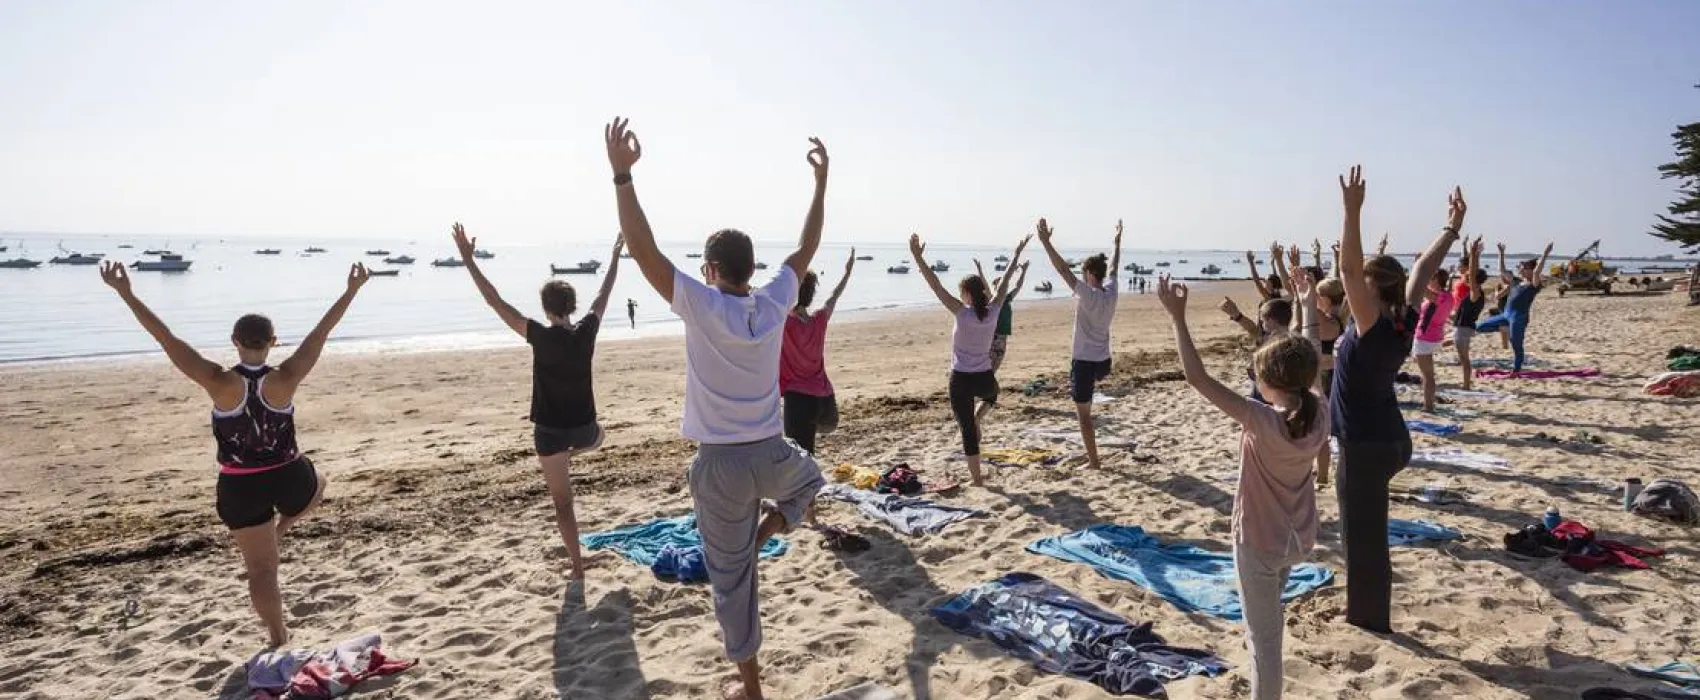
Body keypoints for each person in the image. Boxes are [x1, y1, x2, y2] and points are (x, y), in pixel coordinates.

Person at [602, 116, 827, 700]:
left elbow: (643, 250)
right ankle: (773, 526)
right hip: (772, 456)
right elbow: (805, 249)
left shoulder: (701, 304)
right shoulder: (775, 301)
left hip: (721, 467)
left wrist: (622, 177)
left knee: (732, 584)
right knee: (811, 480)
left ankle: (750, 689)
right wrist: (820, 185)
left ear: (710, 269)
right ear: (751, 269)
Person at [98, 259, 370, 647]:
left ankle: (277, 636)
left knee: (261, 570)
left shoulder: (217, 380)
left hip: (241, 487)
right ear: (273, 342)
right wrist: (351, 291)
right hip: (289, 475)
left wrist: (126, 294)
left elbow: (165, 337)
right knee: (320, 482)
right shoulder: (287, 377)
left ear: (234, 341)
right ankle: (280, 530)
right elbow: (321, 332)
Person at [1158, 274, 1328, 700]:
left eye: (1257, 374)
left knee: (1265, 642)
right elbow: (1312, 357)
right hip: (1298, 539)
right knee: (1265, 621)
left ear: (1269, 383)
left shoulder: (1260, 419)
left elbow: (1197, 378)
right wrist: (1307, 304)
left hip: (1259, 543)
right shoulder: (1320, 411)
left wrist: (1177, 317)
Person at [1331, 165, 1463, 634]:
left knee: (1362, 540)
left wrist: (1351, 211)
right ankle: (1366, 611)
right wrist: (1451, 228)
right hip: (1386, 438)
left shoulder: (1375, 326)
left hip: (1366, 445)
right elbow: (1423, 268)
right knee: (1363, 533)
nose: (1354, 288)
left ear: (1373, 288)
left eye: (1362, 283)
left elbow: (1348, 269)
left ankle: (1369, 621)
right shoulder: (1401, 318)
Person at [452, 223, 621, 580]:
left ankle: (577, 568)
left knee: (563, 503)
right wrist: (615, 256)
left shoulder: (539, 336)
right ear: (572, 306)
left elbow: (494, 300)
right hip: (585, 430)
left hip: (550, 434)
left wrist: (468, 261)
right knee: (600, 437)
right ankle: (573, 454)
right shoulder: (587, 331)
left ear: (546, 309)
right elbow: (603, 293)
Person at [911, 229, 1030, 487]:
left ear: (966, 293)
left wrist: (918, 257)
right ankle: (978, 420)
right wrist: (1017, 254)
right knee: (992, 395)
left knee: (967, 430)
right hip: (985, 380)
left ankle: (977, 479)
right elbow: (1006, 281)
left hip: (961, 380)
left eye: (961, 292)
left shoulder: (961, 312)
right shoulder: (994, 310)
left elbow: (935, 285)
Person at [1035, 218, 1122, 469]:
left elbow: (1063, 270)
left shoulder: (1087, 293)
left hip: (1084, 362)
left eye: (1084, 273)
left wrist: (1046, 243)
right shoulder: (1111, 290)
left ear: (1090, 274)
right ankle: (1092, 456)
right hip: (1103, 362)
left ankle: (1094, 462)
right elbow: (1114, 266)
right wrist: (1117, 242)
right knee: (1085, 400)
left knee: (1084, 416)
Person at [781, 248, 858, 454]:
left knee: (800, 458)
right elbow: (834, 296)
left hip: (799, 401)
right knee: (806, 452)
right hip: (825, 403)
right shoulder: (819, 320)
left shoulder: (784, 322)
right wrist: (847, 274)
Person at [1474, 242, 1553, 376]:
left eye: (1522, 267)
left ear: (1529, 270)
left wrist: (1545, 254)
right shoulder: (1516, 281)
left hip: (1519, 317)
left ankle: (1516, 370)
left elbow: (1536, 272)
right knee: (1479, 327)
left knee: (1516, 344)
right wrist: (1501, 253)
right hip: (1506, 314)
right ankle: (1503, 328)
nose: (1519, 269)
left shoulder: (1533, 284)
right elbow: (1502, 271)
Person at [1412, 267, 1456, 412]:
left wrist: (1419, 271)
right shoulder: (1448, 296)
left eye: (1430, 279)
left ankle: (1428, 406)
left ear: (1436, 280)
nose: (1428, 281)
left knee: (1428, 376)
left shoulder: (1439, 297)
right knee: (1427, 373)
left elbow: (1419, 286)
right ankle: (1429, 401)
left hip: (1425, 338)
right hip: (1434, 337)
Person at [1450, 238, 1487, 390]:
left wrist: (1472, 253)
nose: (1466, 276)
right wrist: (1475, 256)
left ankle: (1466, 385)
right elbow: (1473, 272)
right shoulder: (1478, 292)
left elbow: (1472, 273)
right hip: (1465, 328)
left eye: (1469, 277)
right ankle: (1466, 384)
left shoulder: (1475, 293)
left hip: (1463, 329)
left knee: (1464, 359)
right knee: (1464, 358)